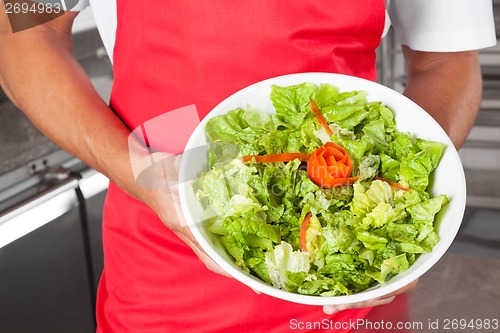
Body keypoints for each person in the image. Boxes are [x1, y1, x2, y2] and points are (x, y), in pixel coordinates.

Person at [0, 1, 496, 332]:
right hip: (159, 260)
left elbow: (445, 61)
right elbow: (24, 28)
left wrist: (402, 199)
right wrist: (144, 174)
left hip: (346, 267)